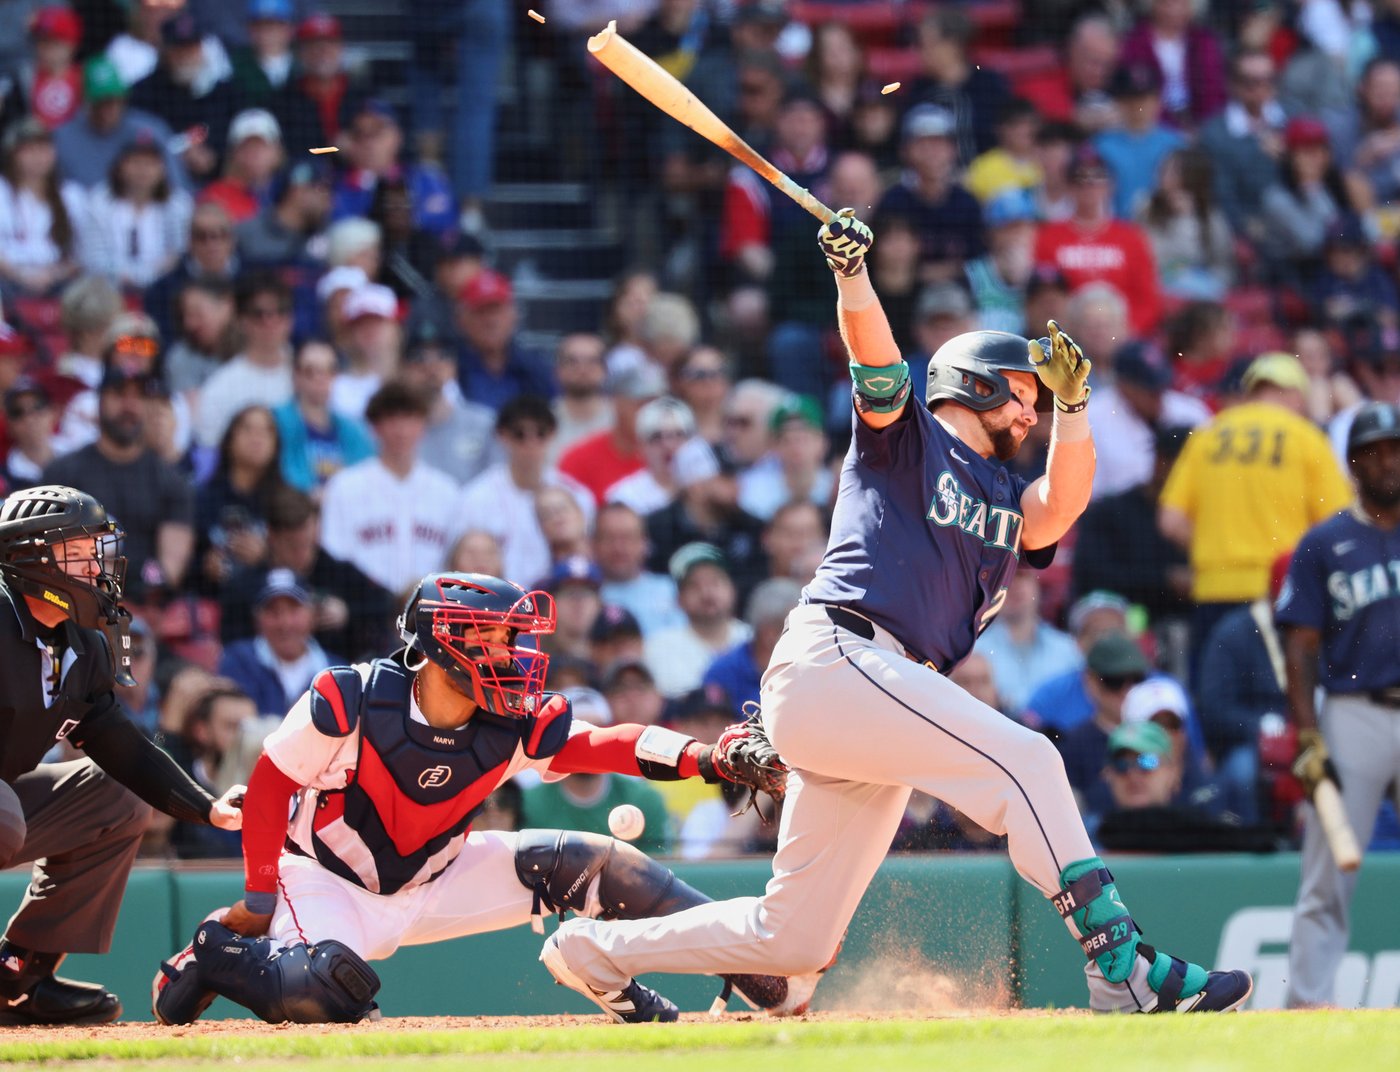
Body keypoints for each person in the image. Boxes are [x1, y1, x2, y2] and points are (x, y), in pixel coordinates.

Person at [541, 207, 1254, 1019]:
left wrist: (1077, 408)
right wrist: (853, 275)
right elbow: (875, 361)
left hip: (877, 697)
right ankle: (1121, 965)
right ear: (976, 382)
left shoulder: (1004, 493)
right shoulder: (908, 439)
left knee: (794, 943)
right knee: (1031, 764)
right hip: (843, 656)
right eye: (1023, 395)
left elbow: (1059, 509)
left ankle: (592, 950)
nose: (1032, 412)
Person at [151, 571, 802, 1025]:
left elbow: (605, 744)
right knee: (327, 990)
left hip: (437, 875)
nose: (511, 655)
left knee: (606, 866)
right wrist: (260, 897)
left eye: (512, 639)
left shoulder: (512, 719)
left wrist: (708, 756)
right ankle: (217, 954)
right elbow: (269, 787)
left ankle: (766, 981)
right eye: (492, 639)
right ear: (441, 643)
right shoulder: (347, 701)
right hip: (328, 879)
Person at [0, 485, 242, 1025]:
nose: (96, 566)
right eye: (78, 552)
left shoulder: (83, 645)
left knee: (120, 797)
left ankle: (18, 980)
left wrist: (206, 807)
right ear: (30, 556)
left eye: (97, 551)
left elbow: (118, 742)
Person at [1276, 401, 1400, 1008]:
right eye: (1376, 450)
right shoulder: (1324, 542)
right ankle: (1307, 1003)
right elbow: (1298, 646)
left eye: (1397, 448)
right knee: (1328, 872)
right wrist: (1307, 732)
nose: (1389, 461)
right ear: (1354, 462)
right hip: (1354, 712)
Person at [1158, 352, 1353, 680]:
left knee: (1217, 703)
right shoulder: (1307, 438)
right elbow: (1337, 525)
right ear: (1295, 395)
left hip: (1213, 590)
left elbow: (1170, 520)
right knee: (1279, 704)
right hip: (1283, 594)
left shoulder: (1207, 435)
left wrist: (1212, 542)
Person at [42, 354, 195, 602]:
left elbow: (169, 573)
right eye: (119, 394)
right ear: (99, 401)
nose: (129, 405)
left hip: (143, 610)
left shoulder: (171, 481)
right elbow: (44, 557)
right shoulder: (62, 474)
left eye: (139, 396)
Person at [319, 381, 461, 597]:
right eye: (392, 420)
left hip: (432, 614)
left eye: (410, 419)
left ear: (423, 425)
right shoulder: (345, 487)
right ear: (375, 427)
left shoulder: (447, 491)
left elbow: (456, 563)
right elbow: (335, 558)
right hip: (365, 611)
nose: (401, 431)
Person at [457, 395, 597, 589]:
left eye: (540, 433)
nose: (531, 443)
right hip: (496, 604)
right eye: (520, 434)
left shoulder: (577, 496)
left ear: (553, 434)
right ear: (502, 436)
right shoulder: (475, 498)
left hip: (557, 603)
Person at [519, 687, 673, 857]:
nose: (588, 742)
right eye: (574, 732)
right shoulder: (529, 803)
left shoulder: (644, 798)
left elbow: (659, 866)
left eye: (598, 731)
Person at [219, 570, 335, 719]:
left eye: (293, 610)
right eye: (273, 611)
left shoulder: (335, 671)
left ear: (312, 614)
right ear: (257, 618)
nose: (285, 623)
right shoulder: (237, 661)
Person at [274, 339, 375, 495]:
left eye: (329, 370)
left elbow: (368, 477)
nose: (320, 378)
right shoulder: (276, 423)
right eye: (310, 371)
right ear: (295, 376)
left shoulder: (354, 430)